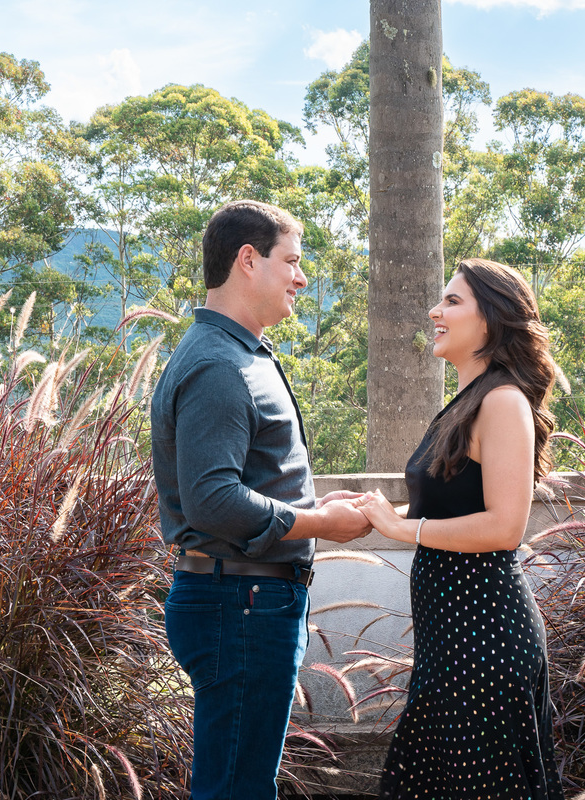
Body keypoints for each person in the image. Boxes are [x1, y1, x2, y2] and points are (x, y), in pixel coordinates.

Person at [150, 199, 371, 800]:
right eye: (292, 261)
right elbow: (212, 499)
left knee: (240, 783)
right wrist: (319, 522)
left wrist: (317, 507)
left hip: (246, 601)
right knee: (236, 790)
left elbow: (244, 481)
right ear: (248, 260)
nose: (301, 277)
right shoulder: (220, 364)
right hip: (240, 604)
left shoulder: (239, 354)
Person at [353, 258, 563, 800]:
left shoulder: (503, 401)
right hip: (450, 642)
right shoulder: (467, 402)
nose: (434, 311)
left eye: (452, 301)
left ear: (490, 319)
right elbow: (444, 508)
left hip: (484, 641)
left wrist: (403, 531)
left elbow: (505, 527)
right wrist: (373, 513)